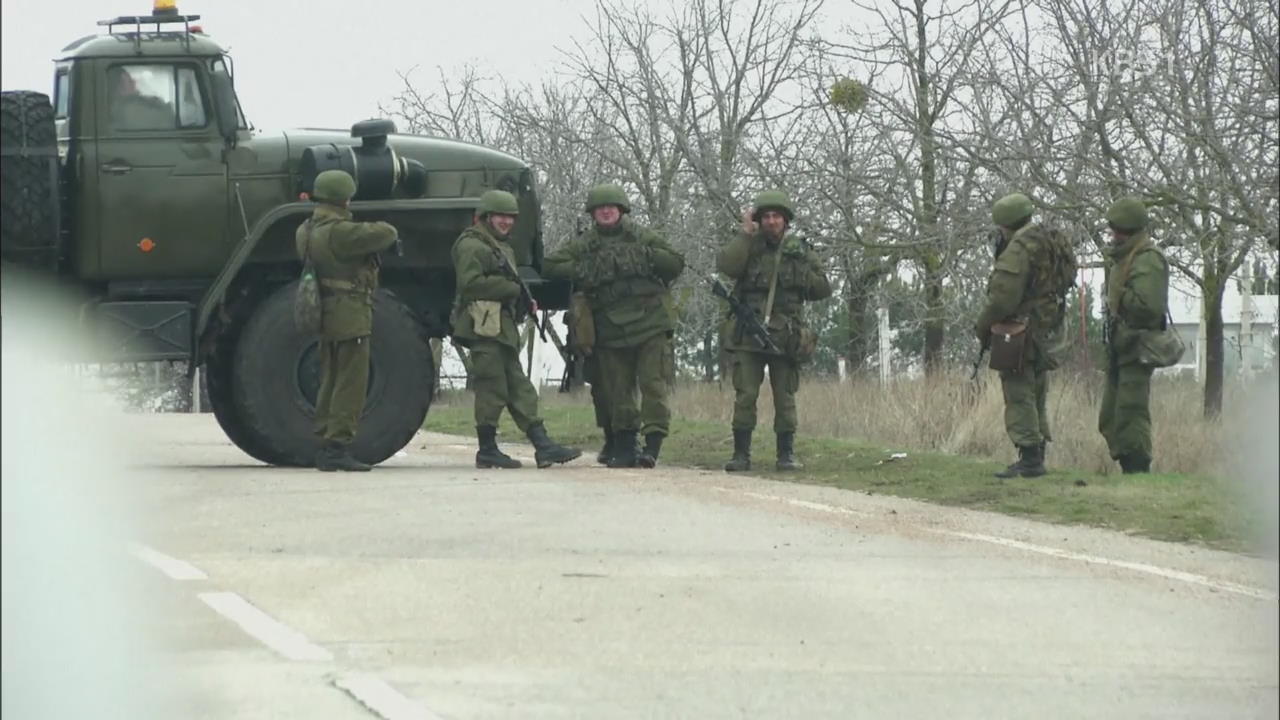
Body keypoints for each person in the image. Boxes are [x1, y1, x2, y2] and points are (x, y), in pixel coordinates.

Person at [543, 184, 685, 468]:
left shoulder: (641, 236)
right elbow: (550, 265)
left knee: (652, 385)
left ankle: (653, 445)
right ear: (593, 213)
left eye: (611, 207)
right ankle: (625, 442)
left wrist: (640, 258)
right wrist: (590, 269)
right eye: (600, 208)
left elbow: (674, 263)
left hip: (650, 323)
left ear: (622, 210)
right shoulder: (586, 244)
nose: (606, 212)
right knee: (617, 389)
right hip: (609, 326)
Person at [450, 190, 581, 470]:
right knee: (491, 387)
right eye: (500, 216)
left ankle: (543, 445)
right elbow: (470, 284)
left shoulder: (501, 247)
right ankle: (487, 449)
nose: (506, 222)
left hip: (501, 328)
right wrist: (511, 289)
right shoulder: (472, 246)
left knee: (520, 387)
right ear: (485, 217)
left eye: (510, 217)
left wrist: (523, 300)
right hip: (483, 327)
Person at [716, 190, 831, 472]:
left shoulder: (800, 250)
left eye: (776, 216)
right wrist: (745, 233)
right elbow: (727, 266)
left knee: (785, 396)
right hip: (749, 333)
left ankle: (786, 454)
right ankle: (741, 454)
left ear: (785, 220)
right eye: (765, 217)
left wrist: (798, 270)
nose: (771, 222)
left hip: (785, 336)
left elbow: (822, 288)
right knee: (745, 395)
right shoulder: (748, 247)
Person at [296, 169, 398, 471]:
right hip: (350, 312)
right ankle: (338, 446)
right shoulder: (341, 232)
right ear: (345, 197)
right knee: (351, 381)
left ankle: (325, 439)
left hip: (323, 310)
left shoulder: (306, 229)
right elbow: (387, 233)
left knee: (330, 377)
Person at [974, 192, 1076, 478]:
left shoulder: (1018, 249)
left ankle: (1030, 459)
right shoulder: (1051, 238)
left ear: (1003, 224)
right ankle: (1037, 454)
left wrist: (982, 327)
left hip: (1020, 330)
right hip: (1048, 324)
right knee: (1037, 391)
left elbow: (1001, 299)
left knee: (1018, 391)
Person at [1098, 197, 1168, 474]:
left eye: (1116, 229)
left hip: (1139, 347)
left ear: (1127, 229)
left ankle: (1137, 469)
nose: (1112, 234)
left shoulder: (1148, 259)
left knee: (1131, 411)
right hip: (1122, 346)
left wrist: (1118, 295)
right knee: (1110, 415)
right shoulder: (1125, 258)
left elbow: (1149, 307)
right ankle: (1129, 463)